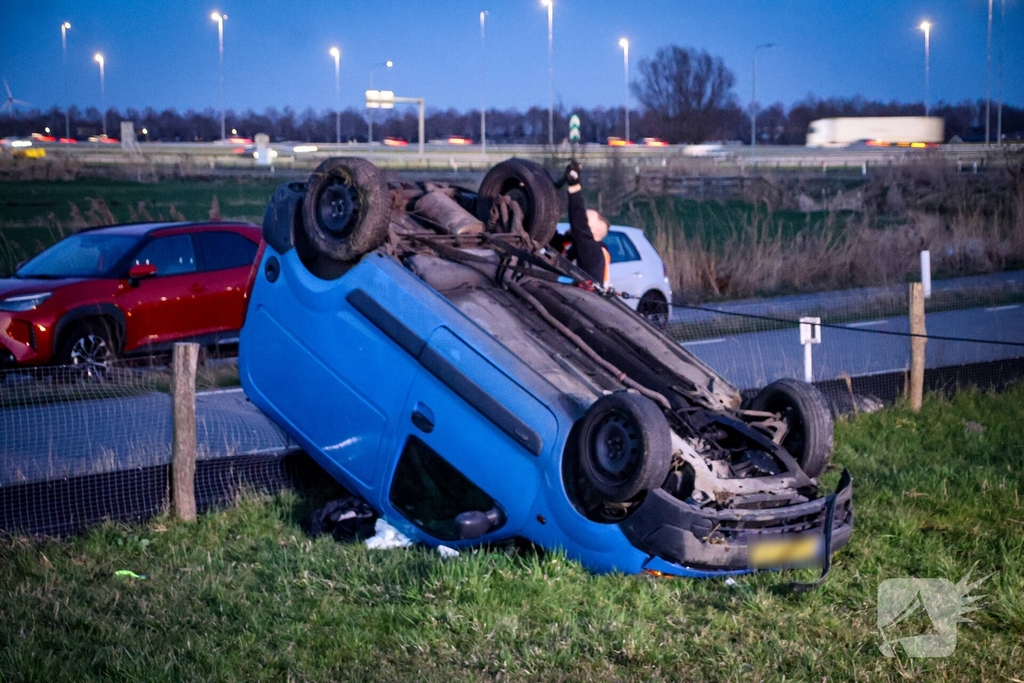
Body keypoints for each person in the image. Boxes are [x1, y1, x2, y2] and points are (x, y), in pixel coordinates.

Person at [557, 161, 611, 286]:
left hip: (579, 301)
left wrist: (574, 187)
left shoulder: (594, 254)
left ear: (595, 233)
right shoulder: (573, 246)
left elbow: (579, 224)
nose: (581, 223)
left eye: (586, 223)